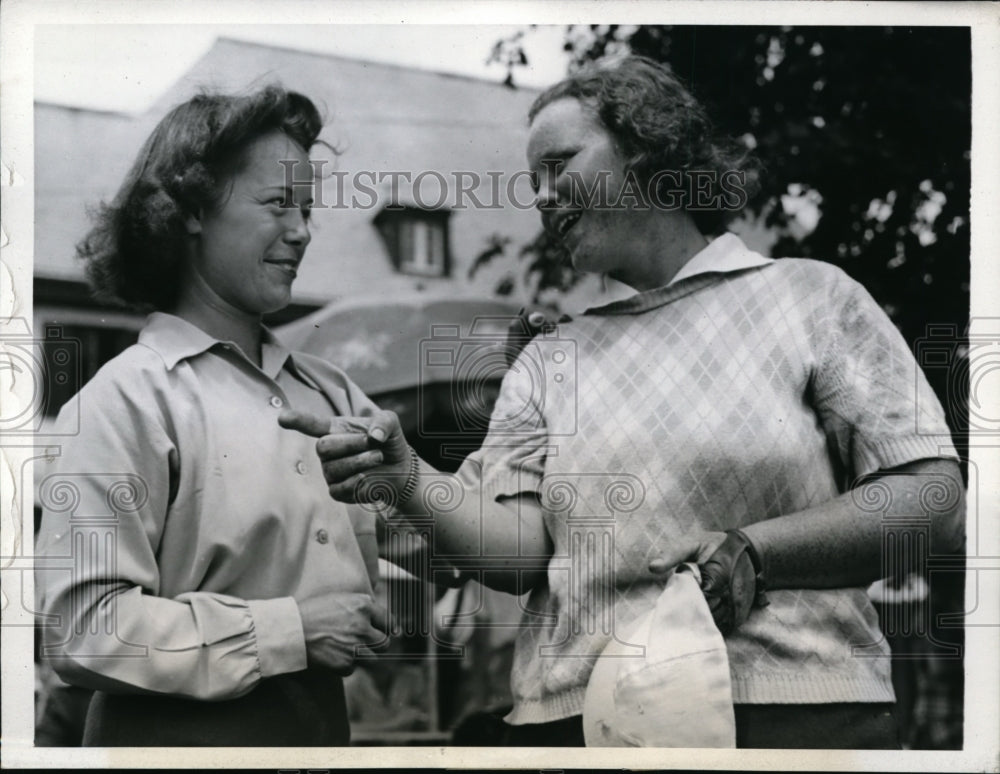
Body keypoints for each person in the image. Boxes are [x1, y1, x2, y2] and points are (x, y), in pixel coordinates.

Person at [280, 56, 964, 748]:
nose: (543, 198)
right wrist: (407, 479)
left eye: (560, 164)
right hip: (580, 725)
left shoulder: (812, 297)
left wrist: (761, 552)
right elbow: (518, 558)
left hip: (793, 719)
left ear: (648, 147)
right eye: (532, 183)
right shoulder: (551, 357)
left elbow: (932, 499)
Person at [35, 86, 388, 746]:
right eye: (279, 204)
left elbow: (438, 542)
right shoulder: (127, 398)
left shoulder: (333, 392)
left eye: (308, 209)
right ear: (193, 208)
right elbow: (82, 631)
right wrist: (294, 631)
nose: (303, 231)